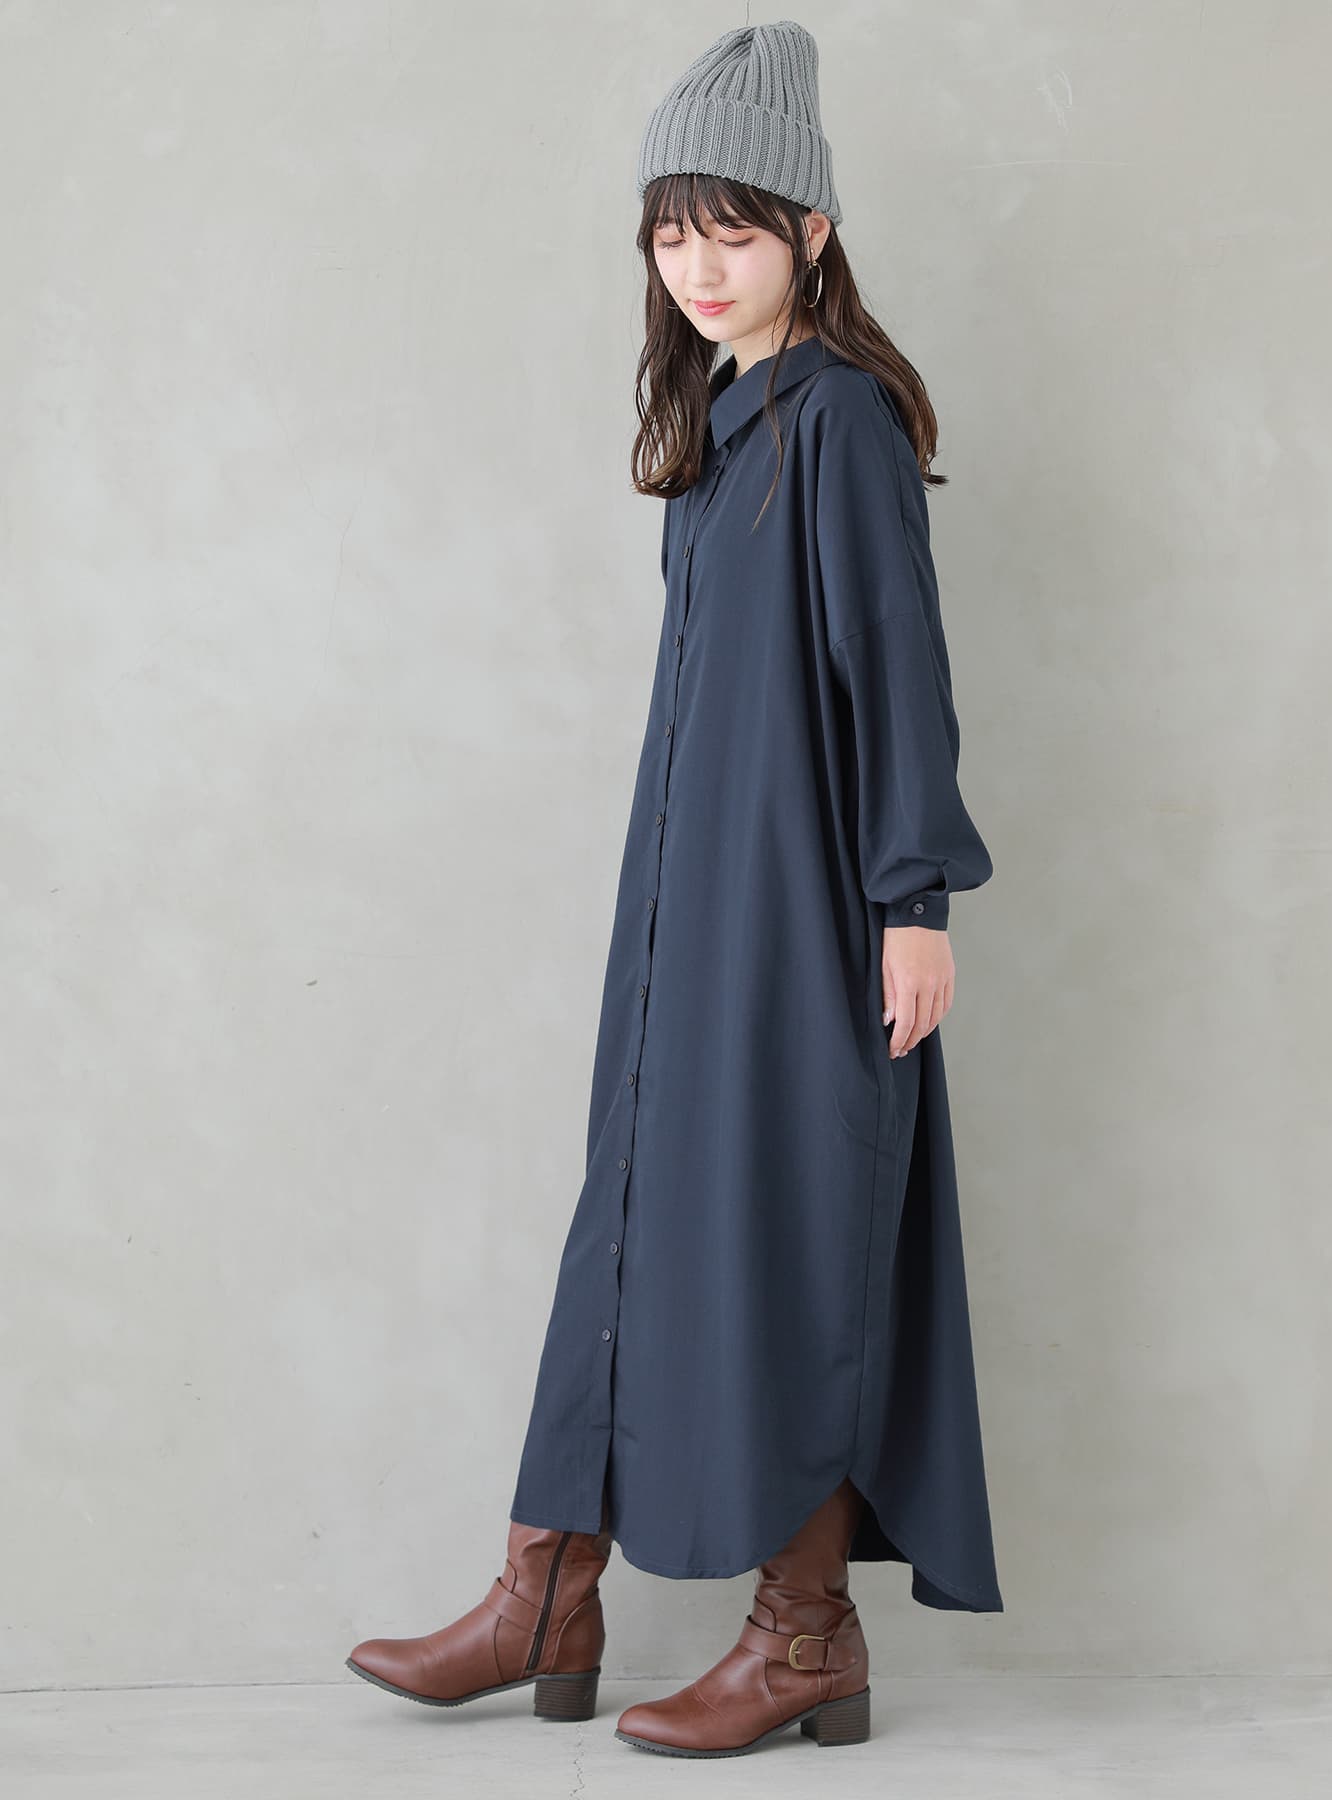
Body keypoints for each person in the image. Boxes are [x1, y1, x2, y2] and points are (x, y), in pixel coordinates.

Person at [346, 19, 1003, 1758]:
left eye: (734, 231)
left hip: (808, 918)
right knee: (634, 1222)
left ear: (813, 233)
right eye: (669, 232)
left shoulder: (840, 423)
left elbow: (897, 672)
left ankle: (805, 1640)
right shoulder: (720, 425)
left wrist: (915, 898)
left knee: (787, 1236)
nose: (698, 267)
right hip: (686, 914)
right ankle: (544, 1596)